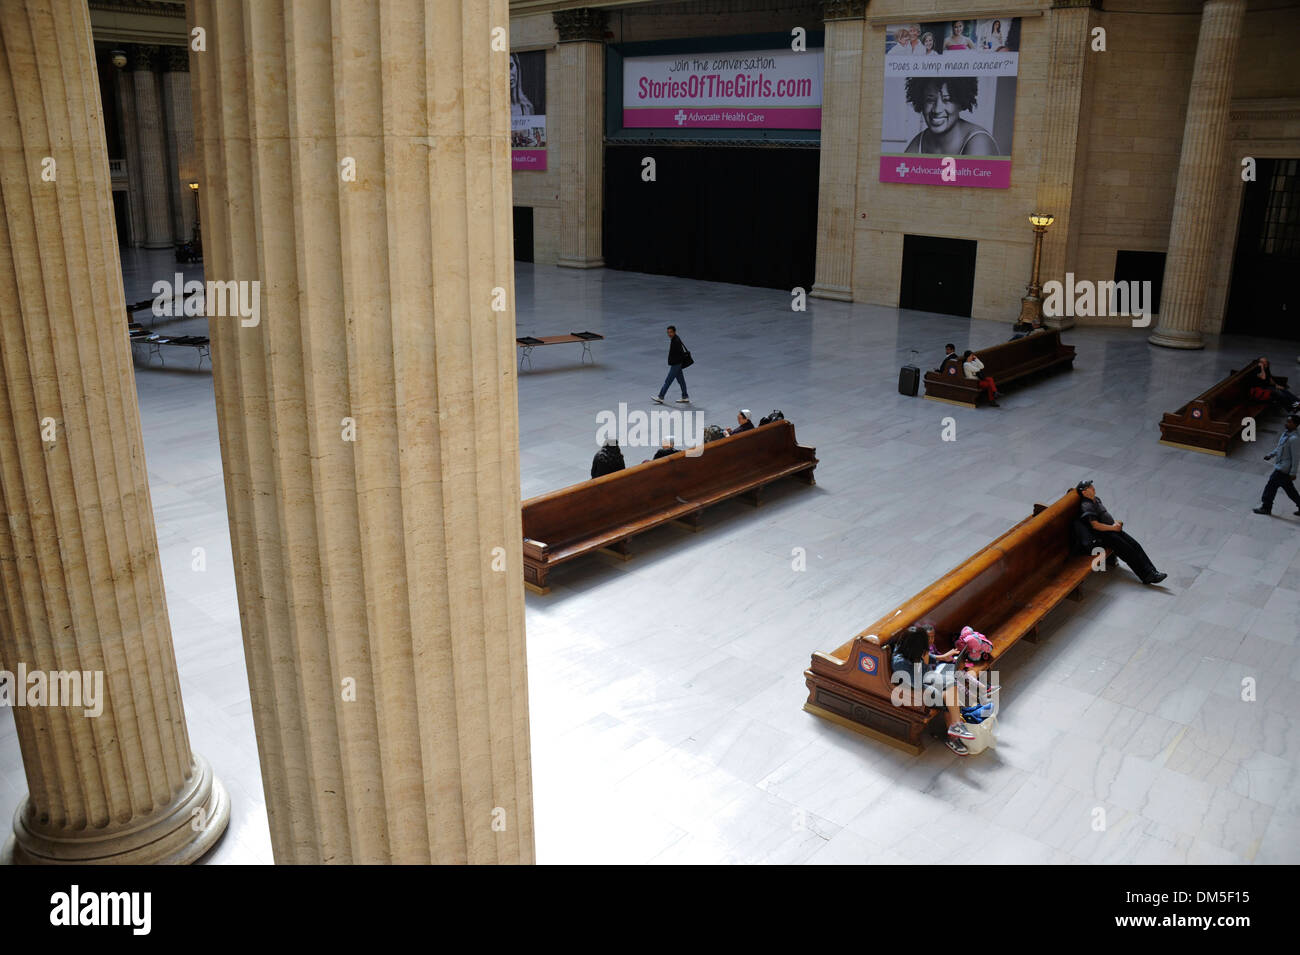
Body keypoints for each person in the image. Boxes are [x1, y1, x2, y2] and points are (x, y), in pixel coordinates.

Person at [890, 625, 975, 750]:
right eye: (924, 648)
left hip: (924, 678)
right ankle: (953, 738)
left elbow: (925, 658)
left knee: (952, 683)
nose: (926, 649)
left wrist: (940, 657)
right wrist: (922, 662)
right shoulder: (900, 663)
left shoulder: (906, 647)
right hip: (913, 689)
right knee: (948, 698)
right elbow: (917, 683)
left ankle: (956, 725)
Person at [1077, 481, 1166, 585]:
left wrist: (1115, 523)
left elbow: (1105, 515)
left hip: (1113, 529)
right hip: (1105, 535)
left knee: (1136, 546)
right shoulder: (1086, 505)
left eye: (1092, 486)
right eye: (1089, 487)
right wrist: (1113, 528)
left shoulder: (1096, 500)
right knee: (1129, 552)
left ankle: (1153, 571)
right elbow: (1095, 525)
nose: (1093, 488)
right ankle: (1147, 576)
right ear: (1084, 492)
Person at [902, 77, 998, 157]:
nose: (937, 110)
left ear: (960, 103)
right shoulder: (920, 141)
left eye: (947, 100)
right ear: (921, 102)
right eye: (930, 100)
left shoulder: (978, 142)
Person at [1253, 415, 1300, 517]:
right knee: (1290, 490)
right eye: (1287, 421)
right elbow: (1279, 448)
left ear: (1295, 425)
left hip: (1283, 469)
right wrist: (1270, 455)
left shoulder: (1294, 439)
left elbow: (1296, 457)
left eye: (1289, 422)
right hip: (1281, 466)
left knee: (1270, 487)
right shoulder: (1285, 434)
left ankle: (1266, 507)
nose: (1286, 423)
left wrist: (1293, 472)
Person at [651, 325, 690, 405]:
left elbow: (680, 353)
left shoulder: (676, 341)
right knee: (681, 381)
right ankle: (685, 397)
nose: (669, 334)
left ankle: (661, 397)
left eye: (671, 332)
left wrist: (676, 362)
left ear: (674, 332)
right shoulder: (675, 339)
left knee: (668, 381)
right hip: (677, 364)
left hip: (676, 365)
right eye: (668, 332)